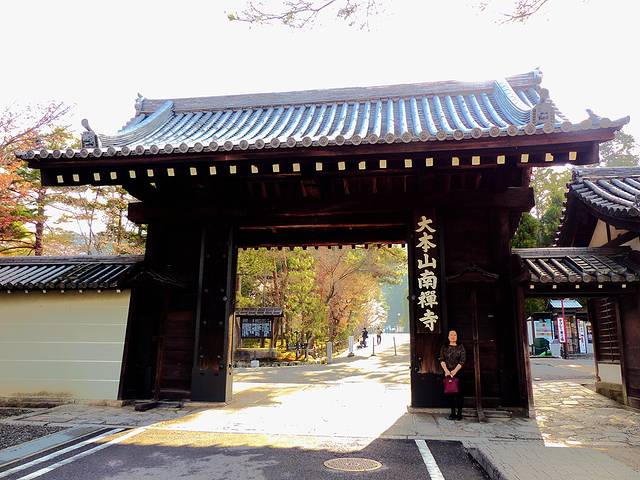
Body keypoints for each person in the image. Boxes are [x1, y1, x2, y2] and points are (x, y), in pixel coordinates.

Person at [439, 329, 466, 421]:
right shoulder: (444, 347)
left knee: (459, 394)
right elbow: (441, 359)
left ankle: (459, 413)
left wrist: (455, 371)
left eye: (455, 335)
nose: (453, 336)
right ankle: (452, 413)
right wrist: (446, 371)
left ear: (457, 337)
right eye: (451, 335)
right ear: (448, 337)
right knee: (450, 393)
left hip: (459, 372)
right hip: (447, 372)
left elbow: (462, 360)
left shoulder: (461, 347)